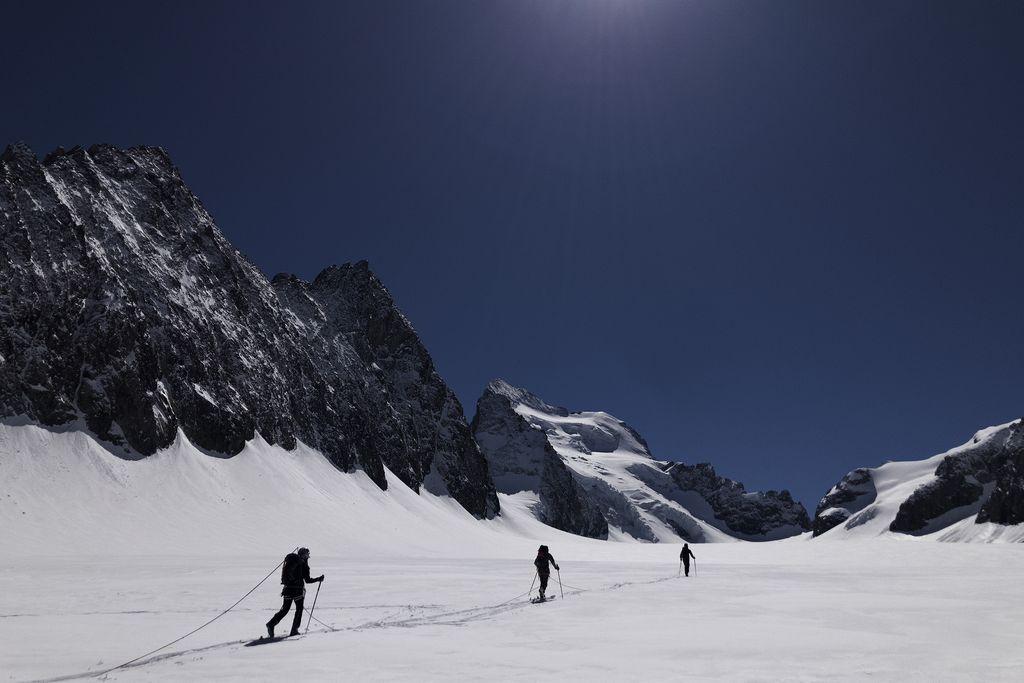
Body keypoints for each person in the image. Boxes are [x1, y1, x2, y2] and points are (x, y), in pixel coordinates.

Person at [266, 547, 323, 638]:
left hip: (287, 589)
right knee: (299, 610)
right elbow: (307, 580)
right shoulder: (303, 565)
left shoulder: (291, 561)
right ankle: (294, 630)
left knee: (285, 609)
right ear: (304, 555)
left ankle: (271, 624)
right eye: (307, 554)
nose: (308, 556)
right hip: (297, 590)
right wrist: (318, 579)